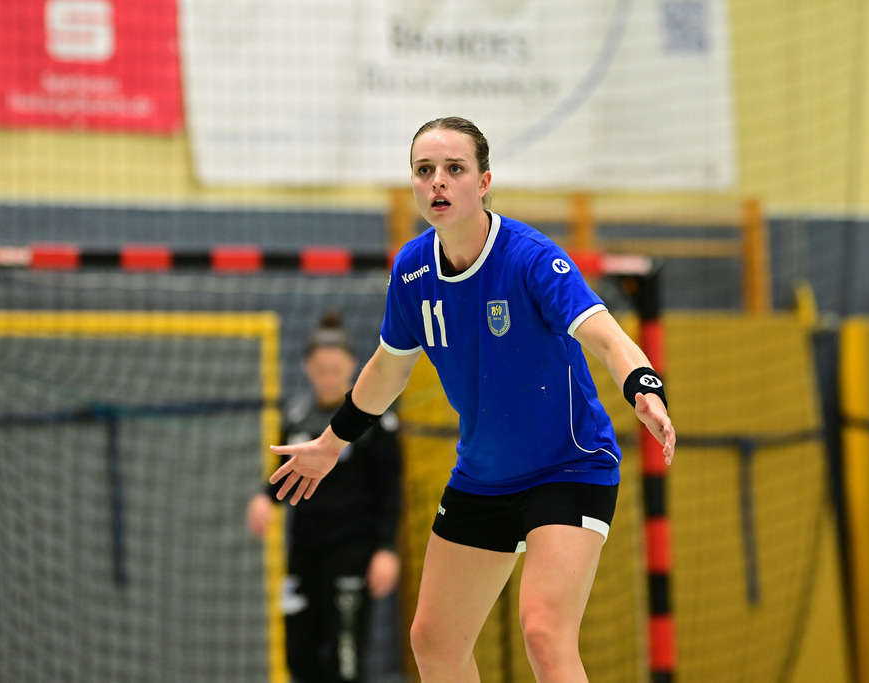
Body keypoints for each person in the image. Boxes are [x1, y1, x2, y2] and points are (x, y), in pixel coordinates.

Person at [269, 116, 676, 682]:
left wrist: (644, 387)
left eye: (454, 169)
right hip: (484, 476)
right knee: (433, 641)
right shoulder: (412, 270)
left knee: (543, 631)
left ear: (483, 182)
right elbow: (388, 368)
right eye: (424, 170)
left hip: (568, 467)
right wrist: (332, 442)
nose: (438, 181)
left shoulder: (530, 258)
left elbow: (606, 335)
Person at [247, 311, 402, 683]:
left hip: (352, 551)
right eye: (321, 369)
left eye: (336, 368)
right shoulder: (297, 415)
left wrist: (386, 548)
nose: (328, 377)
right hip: (304, 550)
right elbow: (285, 476)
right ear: (307, 368)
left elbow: (391, 490)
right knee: (298, 657)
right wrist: (266, 498)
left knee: (343, 659)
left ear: (352, 366)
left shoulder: (375, 421)